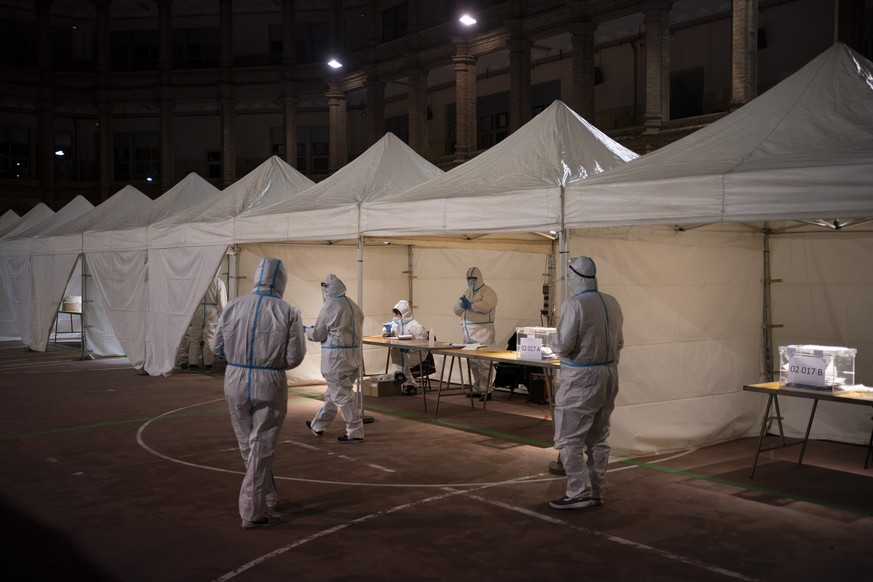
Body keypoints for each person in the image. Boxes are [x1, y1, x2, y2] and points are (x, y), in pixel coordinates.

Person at [211, 257, 306, 529]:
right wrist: (271, 365)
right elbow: (295, 356)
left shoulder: (233, 306)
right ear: (282, 281)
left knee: (246, 442)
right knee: (262, 445)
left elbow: (217, 346)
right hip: (269, 380)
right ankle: (252, 511)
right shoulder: (288, 312)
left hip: (235, 378)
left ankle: (267, 494)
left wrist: (238, 359)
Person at [549, 256, 624, 510]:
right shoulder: (612, 302)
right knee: (599, 437)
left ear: (573, 277)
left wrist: (553, 346)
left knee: (568, 436)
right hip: (609, 374)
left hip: (581, 377)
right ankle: (596, 490)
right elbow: (620, 342)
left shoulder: (574, 304)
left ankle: (578, 491)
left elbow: (562, 344)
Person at [305, 274, 365, 442]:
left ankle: (355, 430)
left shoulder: (331, 306)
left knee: (341, 395)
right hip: (353, 356)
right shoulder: (353, 305)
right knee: (333, 394)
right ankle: (318, 425)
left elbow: (318, 334)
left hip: (336, 358)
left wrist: (306, 330)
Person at [452, 266, 498, 401]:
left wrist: (471, 305)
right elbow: (456, 309)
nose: (470, 281)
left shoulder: (488, 292)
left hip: (483, 332)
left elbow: (487, 306)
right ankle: (478, 387)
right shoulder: (467, 292)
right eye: (468, 278)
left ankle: (487, 389)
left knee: (484, 362)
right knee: (473, 362)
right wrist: (462, 305)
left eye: (473, 278)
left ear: (479, 277)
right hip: (468, 333)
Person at [383, 299, 428, 395]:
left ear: (403, 313)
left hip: (417, 352)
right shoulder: (396, 324)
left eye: (397, 313)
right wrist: (386, 331)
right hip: (404, 352)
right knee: (396, 351)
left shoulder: (414, 325)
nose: (395, 316)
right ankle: (409, 385)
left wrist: (410, 346)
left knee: (402, 360)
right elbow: (387, 330)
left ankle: (401, 375)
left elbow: (423, 341)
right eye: (395, 313)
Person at [187, 273, 228, 371]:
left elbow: (190, 297)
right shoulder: (218, 282)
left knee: (194, 337)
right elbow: (222, 302)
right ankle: (208, 365)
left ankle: (193, 364)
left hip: (198, 309)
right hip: (212, 310)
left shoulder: (197, 281)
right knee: (209, 338)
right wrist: (224, 316)